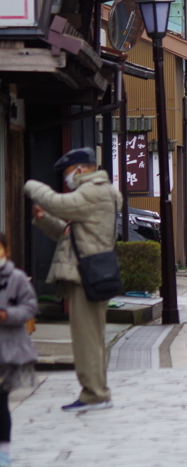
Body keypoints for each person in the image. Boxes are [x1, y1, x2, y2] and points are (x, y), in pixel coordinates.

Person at [23, 147, 118, 412]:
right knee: (91, 339)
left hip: (86, 275)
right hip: (90, 273)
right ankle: (97, 392)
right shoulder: (99, 193)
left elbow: (58, 203)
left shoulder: (95, 191)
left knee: (87, 340)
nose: (67, 178)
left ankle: (95, 394)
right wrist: (44, 220)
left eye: (67, 173)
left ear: (82, 169)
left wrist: (31, 185)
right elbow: (69, 235)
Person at [0, 232, 38, 466]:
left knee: (0, 400)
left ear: (6, 251)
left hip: (8, 351)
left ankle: (3, 452)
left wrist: (8, 315)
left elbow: (30, 306)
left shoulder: (16, 278)